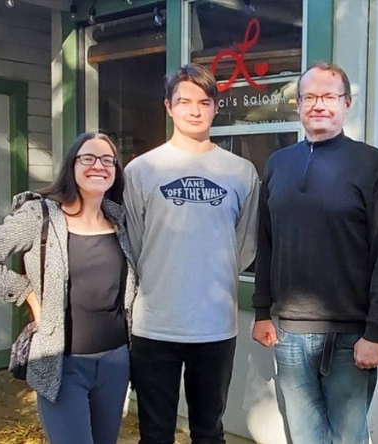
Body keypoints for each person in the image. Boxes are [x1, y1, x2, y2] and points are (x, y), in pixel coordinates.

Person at [251, 62, 378, 444]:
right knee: (303, 438)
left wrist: (377, 331)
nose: (319, 105)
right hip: (289, 334)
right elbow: (265, 241)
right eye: (310, 97)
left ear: (346, 103)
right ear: (298, 105)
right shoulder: (278, 164)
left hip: (351, 338)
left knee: (348, 439)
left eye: (329, 96)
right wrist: (260, 311)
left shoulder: (372, 165)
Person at [0, 132, 137, 444]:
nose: (99, 165)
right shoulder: (40, 216)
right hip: (62, 362)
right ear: (71, 165)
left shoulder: (119, 220)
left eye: (108, 160)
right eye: (88, 158)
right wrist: (28, 294)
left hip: (115, 361)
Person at [124, 63, 259, 444]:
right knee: (154, 432)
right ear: (169, 107)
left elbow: (244, 245)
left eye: (204, 101)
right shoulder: (141, 170)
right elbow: (134, 242)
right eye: (184, 101)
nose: (194, 110)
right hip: (154, 324)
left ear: (216, 107)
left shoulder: (241, 172)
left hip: (215, 325)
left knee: (208, 431)